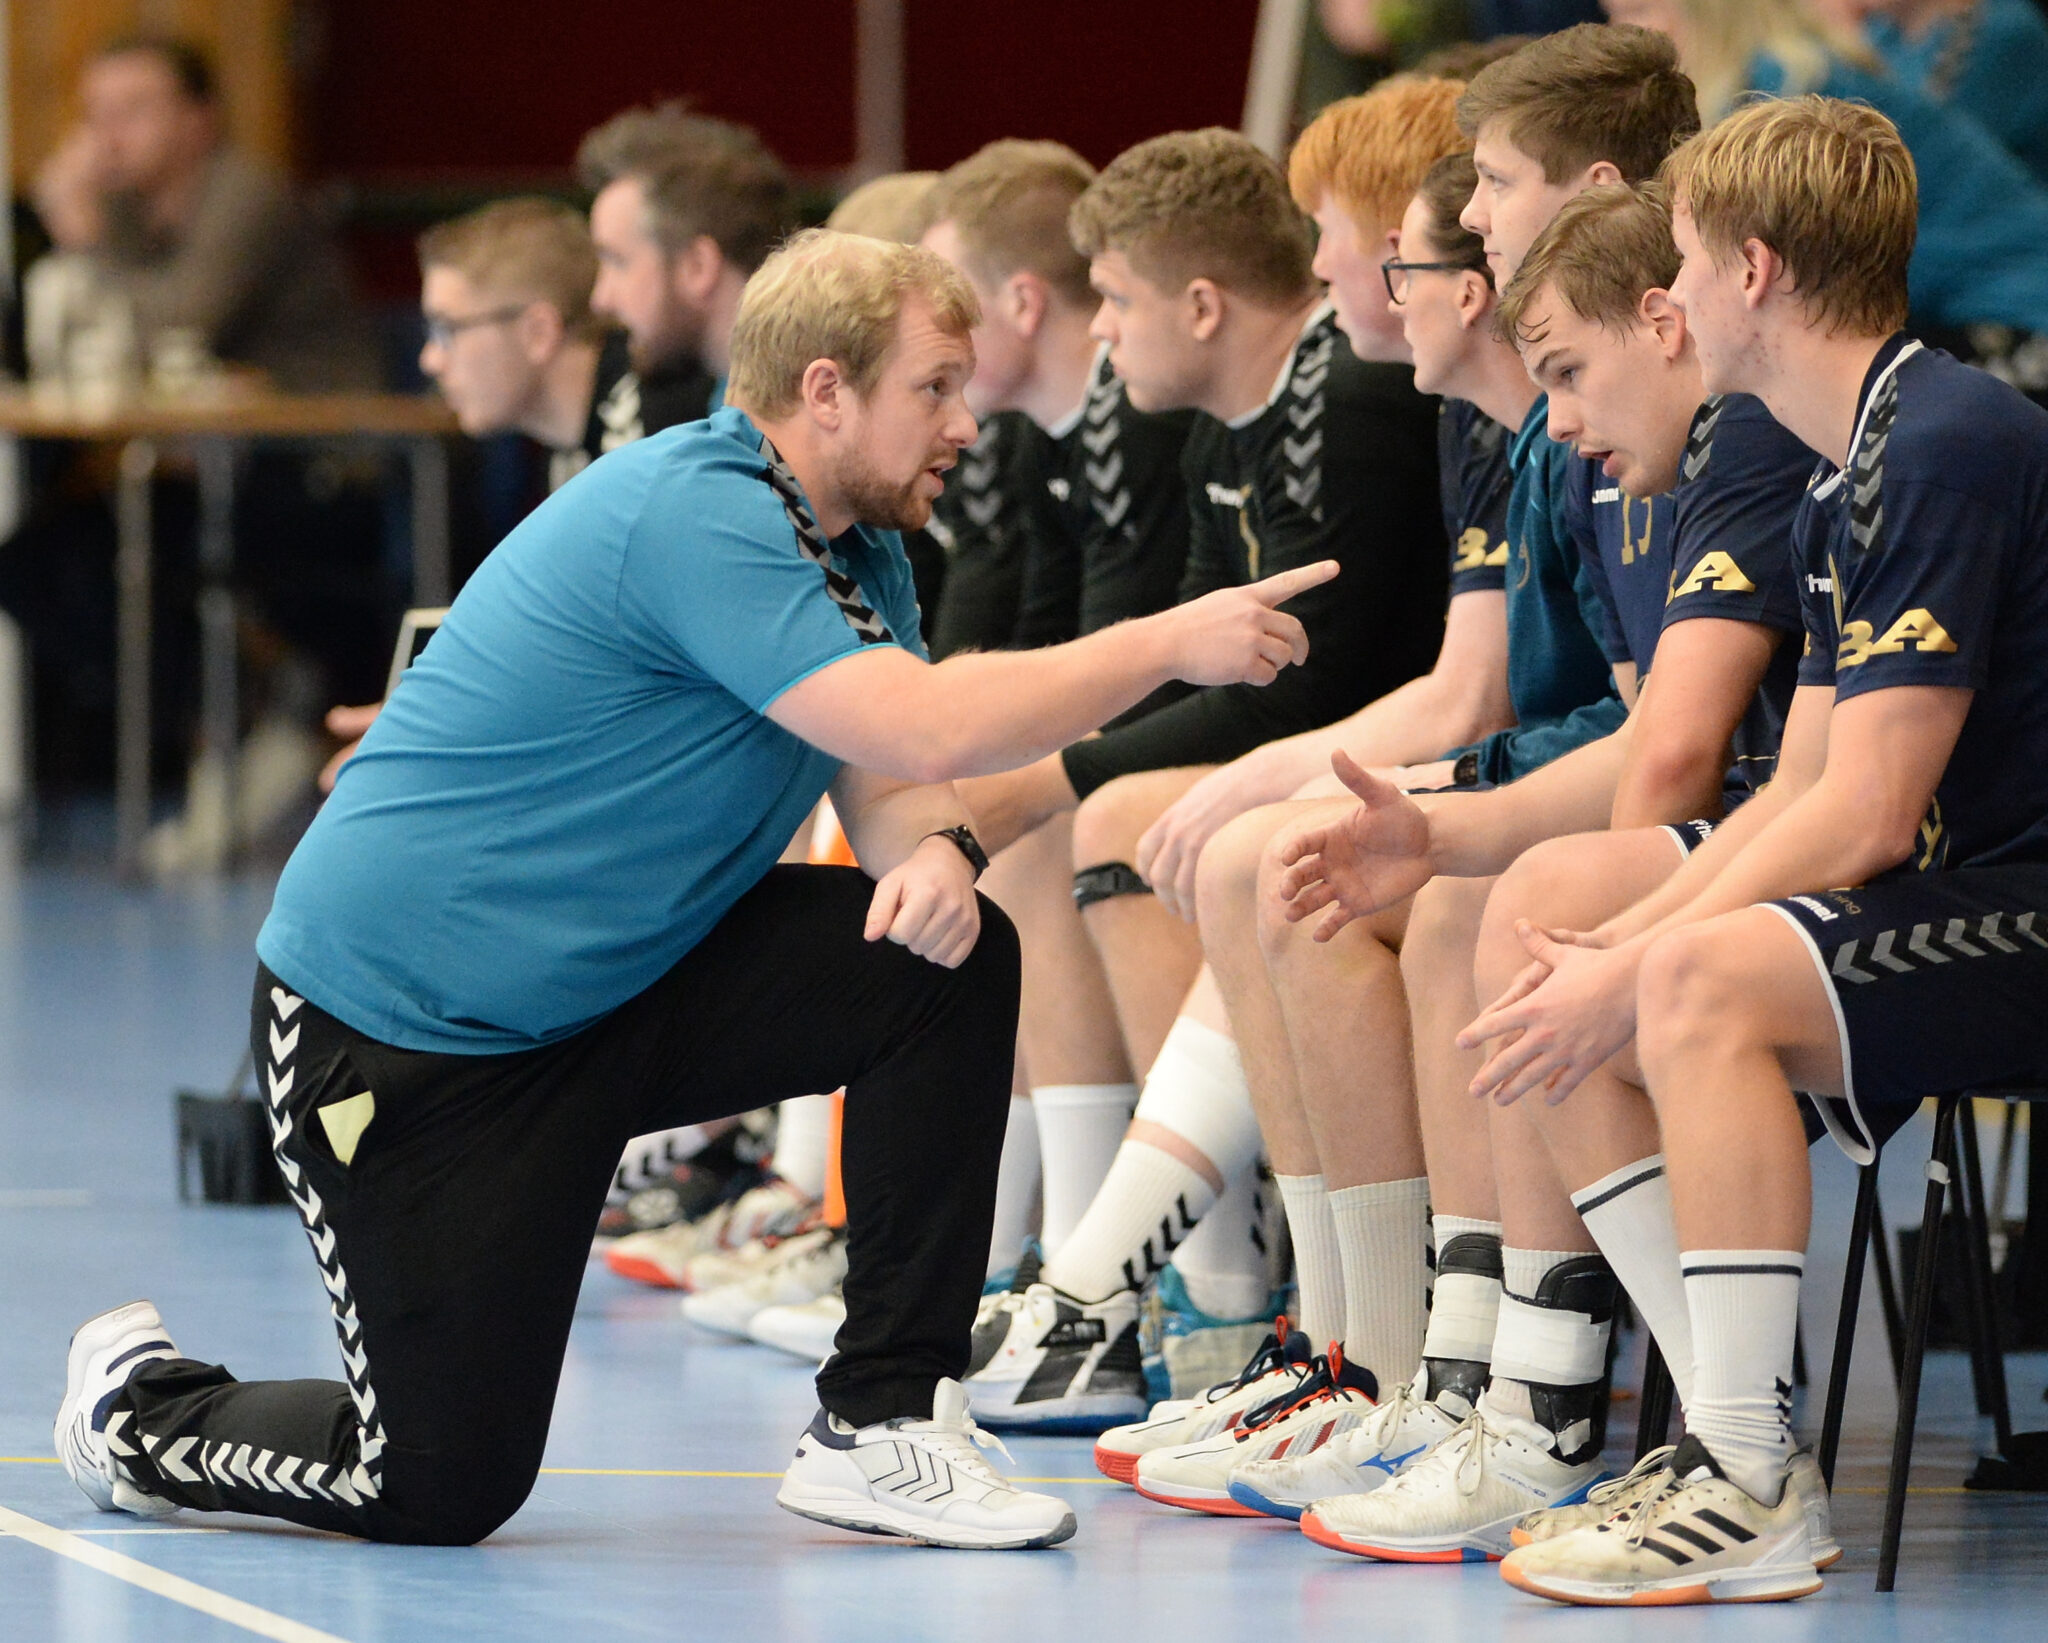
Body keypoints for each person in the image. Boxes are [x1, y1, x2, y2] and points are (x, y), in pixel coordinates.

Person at [51, 229, 1339, 1554]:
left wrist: (935, 856)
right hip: (398, 1040)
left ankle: (884, 1419)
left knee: (940, 961)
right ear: (826, 390)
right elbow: (927, 720)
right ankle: (138, 1411)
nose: (965, 422)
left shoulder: (858, 547)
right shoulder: (699, 509)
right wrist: (1170, 640)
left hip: (609, 994)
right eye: (935, 387)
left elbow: (891, 774)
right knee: (435, 1482)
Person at [1412, 92, 2048, 1607]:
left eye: (1685, 261)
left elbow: (1865, 814)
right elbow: (1800, 788)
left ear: (1750, 272)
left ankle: (1748, 1470)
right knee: (1563, 957)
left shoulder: (1942, 441)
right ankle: (1721, 1434)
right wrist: (1606, 955)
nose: (1672, 293)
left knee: (1687, 983)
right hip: (1952, 885)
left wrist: (1646, 961)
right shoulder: (1848, 461)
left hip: (2018, 905)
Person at [1249, 178, 1816, 1561]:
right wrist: (1440, 832)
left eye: (1494, 178)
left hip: (1884, 881)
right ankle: (1431, 1368)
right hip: (1774, 836)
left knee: (1528, 914)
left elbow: (1690, 759)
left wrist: (1606, 915)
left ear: (1671, 313)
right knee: (1415, 886)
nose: (1555, 417)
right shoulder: (1641, 449)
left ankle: (1580, 1409)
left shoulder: (1757, 438)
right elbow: (1648, 734)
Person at [959, 112, 1453, 1435]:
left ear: (1198, 304)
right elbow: (1183, 664)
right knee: (1104, 809)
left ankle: (1187, 1285)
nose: (1104, 332)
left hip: (1388, 767)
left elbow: (1306, 681)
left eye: (1116, 301)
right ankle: (1139, 1277)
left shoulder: (1348, 398)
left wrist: (1051, 776)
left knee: (1127, 815)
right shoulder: (1227, 421)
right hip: (1350, 752)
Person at [1604, 0, 2048, 337]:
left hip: (2008, 314)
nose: (1624, 33)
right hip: (1959, 307)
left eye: (1639, 10)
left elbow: (1783, 288)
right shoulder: (1779, 77)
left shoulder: (1785, 95)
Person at [31, 34, 376, 391]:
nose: (108, 136)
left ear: (199, 119)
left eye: (133, 110)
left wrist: (86, 241)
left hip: (313, 408)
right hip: (201, 410)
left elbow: (179, 331)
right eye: (96, 114)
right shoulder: (118, 201)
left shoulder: (247, 194)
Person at [577, 103, 790, 423]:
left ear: (698, 266)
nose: (600, 299)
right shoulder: (737, 409)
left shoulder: (784, 428)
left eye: (618, 262)